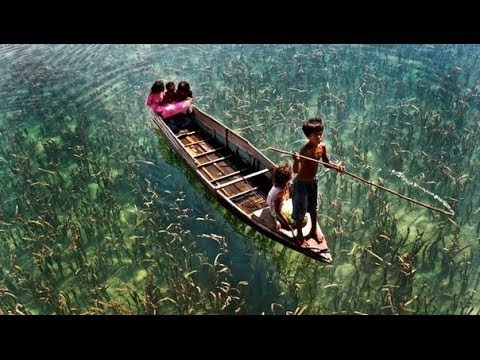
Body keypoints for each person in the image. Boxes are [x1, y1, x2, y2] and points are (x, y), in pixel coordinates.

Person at [291, 117, 346, 247]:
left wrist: (337, 167)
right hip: (301, 184)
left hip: (312, 183)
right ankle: (299, 235)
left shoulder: (322, 147)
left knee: (313, 208)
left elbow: (326, 163)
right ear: (308, 136)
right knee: (300, 211)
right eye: (316, 135)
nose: (319, 137)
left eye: (321, 133)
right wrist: (296, 160)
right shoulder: (304, 151)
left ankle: (313, 230)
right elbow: (295, 171)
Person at [267, 162, 294, 232]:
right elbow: (277, 211)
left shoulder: (282, 184)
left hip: (277, 203)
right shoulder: (279, 193)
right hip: (274, 209)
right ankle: (276, 220)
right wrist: (287, 224)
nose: (292, 176)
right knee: (292, 221)